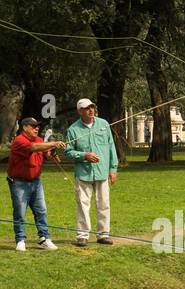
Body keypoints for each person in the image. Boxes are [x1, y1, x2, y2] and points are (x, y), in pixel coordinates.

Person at [62, 98, 118, 246]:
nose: (91, 110)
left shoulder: (104, 124)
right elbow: (68, 151)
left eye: (92, 107)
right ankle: (82, 235)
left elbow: (111, 147)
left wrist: (113, 169)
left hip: (102, 171)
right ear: (80, 111)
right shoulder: (73, 129)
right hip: (83, 173)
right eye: (87, 108)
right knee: (83, 204)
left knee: (104, 203)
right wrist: (84, 155)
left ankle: (103, 234)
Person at [7, 117, 65, 251]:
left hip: (36, 182)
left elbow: (47, 155)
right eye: (33, 126)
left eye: (38, 126)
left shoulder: (39, 140)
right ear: (24, 127)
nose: (37, 128)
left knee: (41, 211)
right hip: (19, 182)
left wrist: (52, 154)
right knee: (20, 212)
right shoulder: (19, 140)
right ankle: (20, 240)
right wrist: (53, 143)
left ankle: (44, 238)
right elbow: (33, 148)